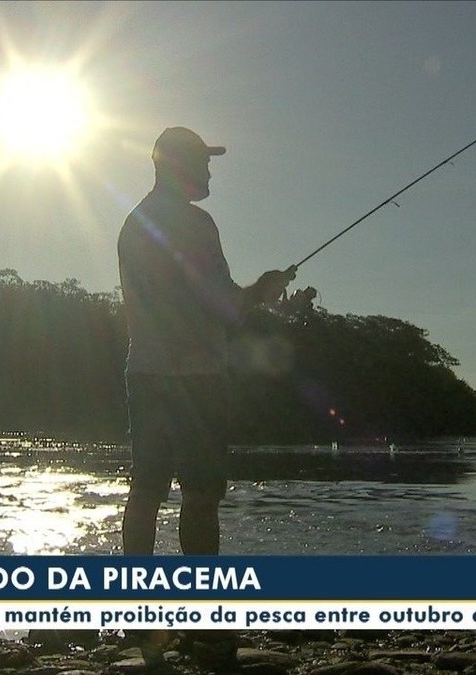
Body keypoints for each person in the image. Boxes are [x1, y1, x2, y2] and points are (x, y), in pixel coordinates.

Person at [117, 126, 295, 557]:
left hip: (144, 373)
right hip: (196, 379)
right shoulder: (195, 224)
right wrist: (261, 290)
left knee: (146, 489)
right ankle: (202, 614)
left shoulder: (134, 222)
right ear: (178, 166)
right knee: (200, 494)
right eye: (204, 162)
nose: (210, 172)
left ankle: (133, 606)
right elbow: (224, 306)